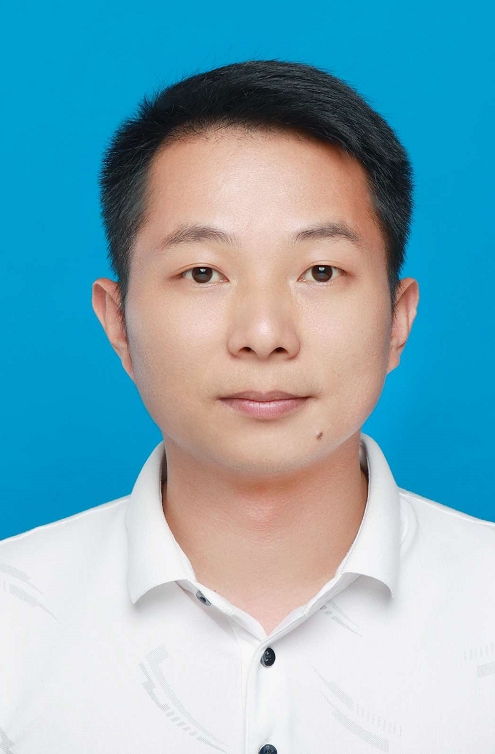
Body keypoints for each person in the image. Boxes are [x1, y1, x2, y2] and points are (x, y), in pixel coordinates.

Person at [1, 59, 493, 754]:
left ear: (397, 320)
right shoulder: (14, 620)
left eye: (320, 271)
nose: (263, 335)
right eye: (203, 273)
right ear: (118, 324)